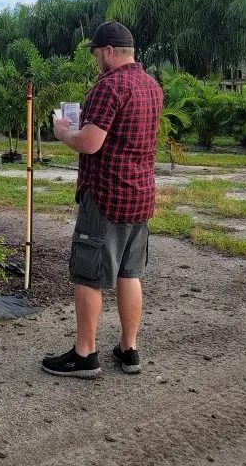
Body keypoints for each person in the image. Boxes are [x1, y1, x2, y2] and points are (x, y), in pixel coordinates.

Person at [42, 21, 163, 379]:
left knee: (89, 275)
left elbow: (91, 143)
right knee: (130, 272)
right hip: (141, 194)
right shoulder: (152, 86)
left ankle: (85, 355)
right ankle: (129, 349)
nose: (97, 60)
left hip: (107, 195)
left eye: (97, 53)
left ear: (109, 51)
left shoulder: (108, 87)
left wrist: (64, 132)